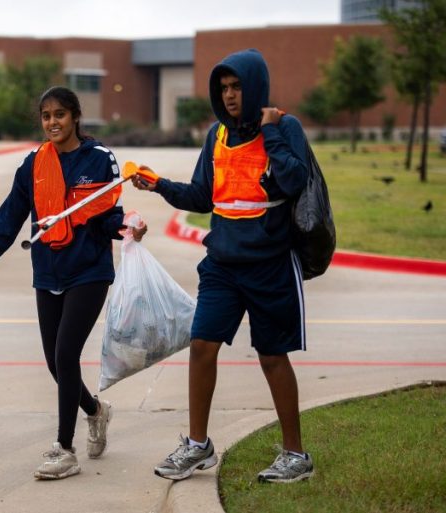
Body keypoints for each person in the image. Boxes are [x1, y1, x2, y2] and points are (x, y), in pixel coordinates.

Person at [131, 48, 314, 483]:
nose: (230, 96)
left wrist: (270, 131)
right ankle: (198, 445)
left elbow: (295, 179)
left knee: (272, 357)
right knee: (201, 346)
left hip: (270, 264)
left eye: (237, 87)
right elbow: (202, 196)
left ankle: (296, 455)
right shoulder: (216, 135)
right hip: (222, 264)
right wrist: (158, 185)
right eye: (224, 88)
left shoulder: (285, 127)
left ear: (256, 88)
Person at [0, 86, 146, 480]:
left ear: (75, 116)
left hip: (89, 271)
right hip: (48, 272)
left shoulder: (99, 159)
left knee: (65, 355)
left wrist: (129, 226)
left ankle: (64, 449)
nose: (52, 122)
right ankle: (96, 411)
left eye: (59, 114)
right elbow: (9, 218)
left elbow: (108, 216)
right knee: (54, 363)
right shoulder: (33, 165)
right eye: (46, 116)